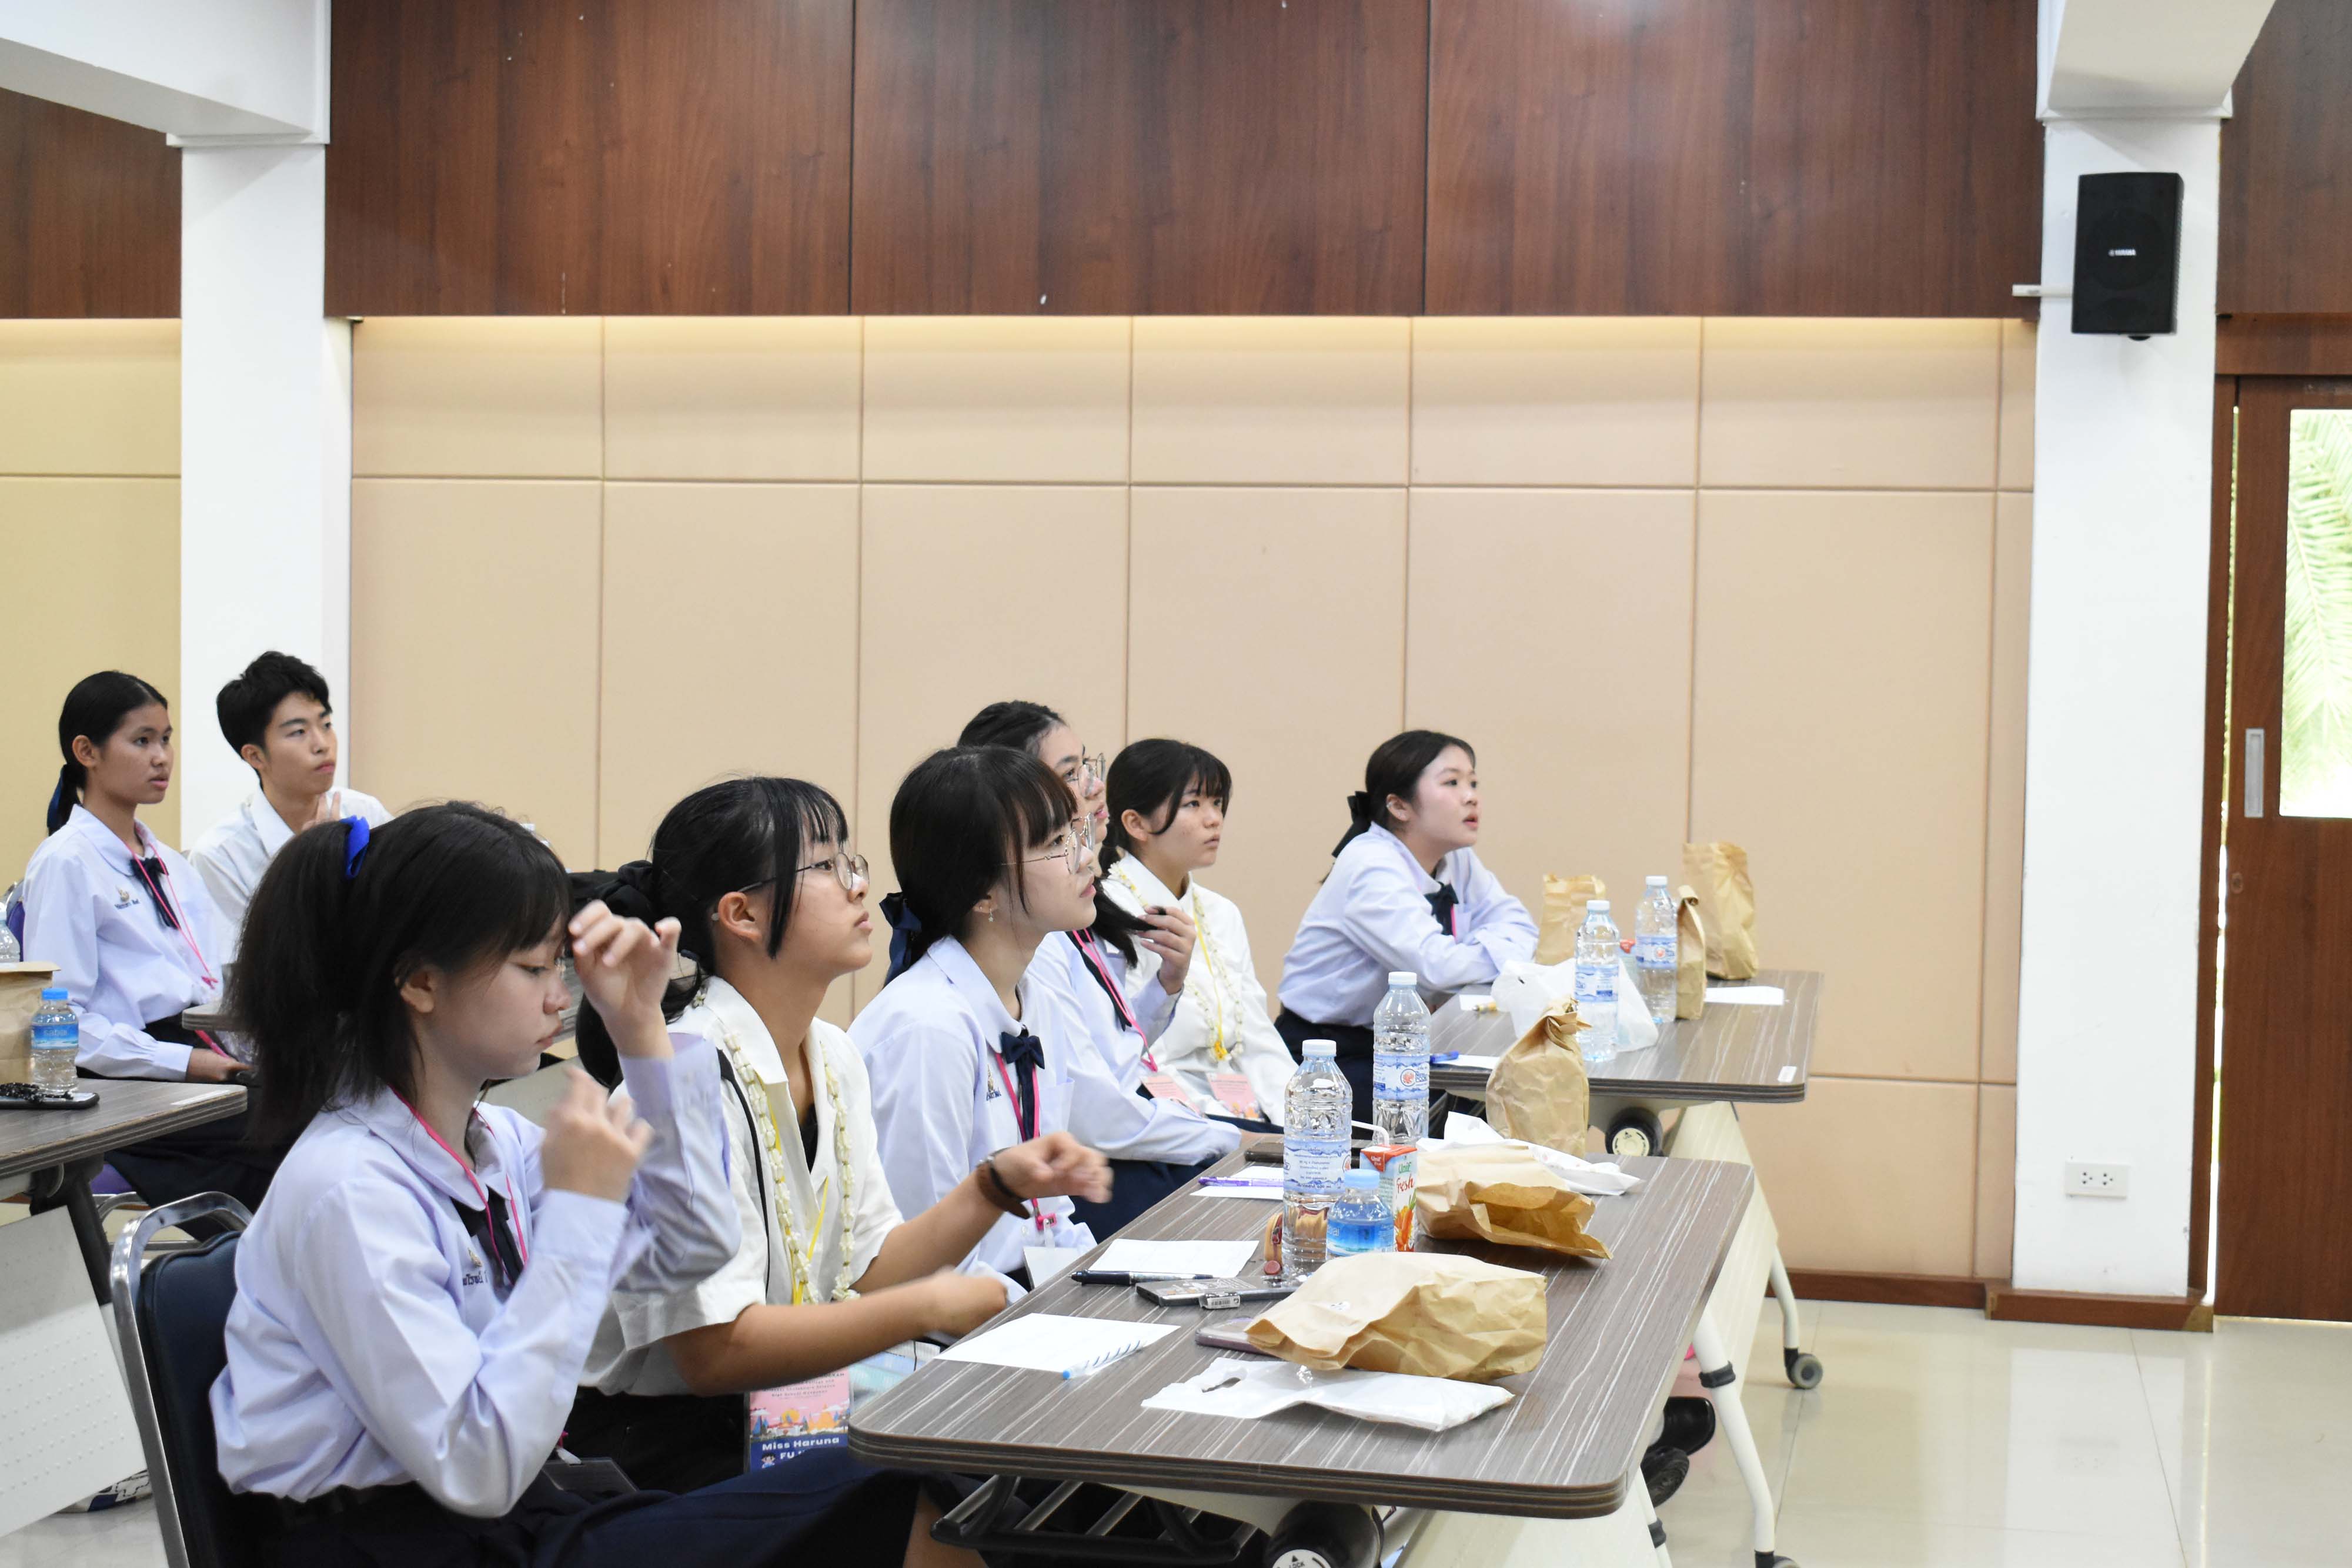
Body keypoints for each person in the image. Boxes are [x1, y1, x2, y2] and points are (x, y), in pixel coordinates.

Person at [209, 802, 940, 1568]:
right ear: (421, 981)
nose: (560, 998)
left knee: (898, 1476)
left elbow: (690, 1251)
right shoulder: (349, 1189)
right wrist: (579, 1216)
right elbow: (478, 1465)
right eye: (533, 969)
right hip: (397, 1541)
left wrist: (642, 1035)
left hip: (514, 1511)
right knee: (883, 1495)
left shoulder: (496, 1141)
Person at [564, 777, 1110, 1495]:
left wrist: (994, 1185)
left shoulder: (832, 1052)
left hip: (775, 1404)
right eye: (826, 866)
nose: (859, 885)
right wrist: (927, 1307)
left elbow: (870, 1266)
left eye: (850, 861)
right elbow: (713, 1356)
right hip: (666, 1444)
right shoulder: (680, 1078)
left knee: (1037, 1443)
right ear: (742, 914)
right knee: (950, 1481)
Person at [952, 703, 1240, 1233]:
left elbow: (1109, 1051)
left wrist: (1166, 987)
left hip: (1097, 1160)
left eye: (1088, 765)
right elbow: (1094, 1112)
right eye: (1070, 773)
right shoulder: (1029, 943)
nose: (1094, 785)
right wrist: (1231, 1136)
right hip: (1094, 1164)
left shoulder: (1066, 916)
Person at [852, 747, 1121, 1285]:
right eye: (1055, 844)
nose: (1086, 858)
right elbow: (926, 1267)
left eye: (1076, 834)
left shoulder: (1035, 997)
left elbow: (1053, 1218)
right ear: (982, 892)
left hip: (1024, 1293)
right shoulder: (927, 1029)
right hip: (952, 1318)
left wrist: (1099, 1286)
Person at [19, 671, 272, 1212]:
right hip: (126, 1076)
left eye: (166, 739)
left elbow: (211, 987)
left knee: (330, 1104)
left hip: (198, 1049)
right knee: (292, 1125)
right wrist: (186, 1063)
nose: (162, 757)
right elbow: (63, 1024)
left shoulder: (173, 865)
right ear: (86, 751)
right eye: (142, 740)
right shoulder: (67, 862)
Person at [1277, 730, 1536, 1123]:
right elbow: (1436, 968)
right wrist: (1496, 950)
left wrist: (1477, 952)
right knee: (1484, 1111)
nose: (1471, 796)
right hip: (1331, 1056)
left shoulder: (1457, 860)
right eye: (1452, 783)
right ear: (1399, 806)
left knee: (1516, 1090)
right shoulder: (1370, 865)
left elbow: (1522, 927)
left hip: (1403, 1045)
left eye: (1473, 782)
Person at [1100, 739, 1294, 1127]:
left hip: (1240, 1109)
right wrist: (1228, 1127)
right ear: (1136, 823)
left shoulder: (1222, 911)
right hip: (1163, 1112)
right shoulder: (1107, 909)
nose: (1214, 819)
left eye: (1217, 803)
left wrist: (1302, 1112)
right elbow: (1131, 1051)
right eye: (1193, 804)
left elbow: (1257, 1036)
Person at [189, 650, 390, 958]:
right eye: (298, 732)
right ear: (255, 756)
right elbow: (249, 969)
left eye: (326, 724)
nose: (322, 744)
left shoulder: (365, 812)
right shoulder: (221, 856)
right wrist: (314, 866)